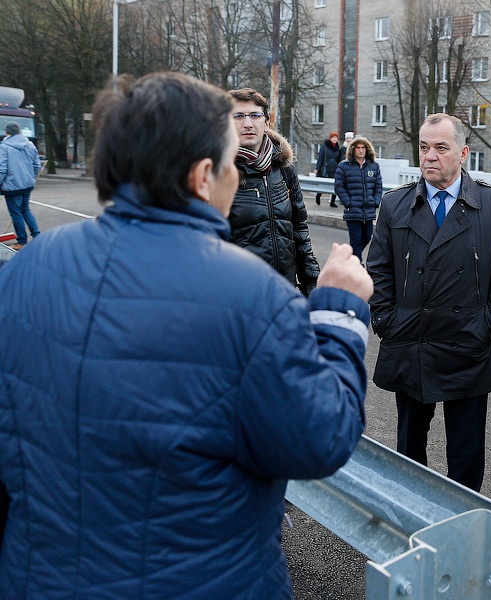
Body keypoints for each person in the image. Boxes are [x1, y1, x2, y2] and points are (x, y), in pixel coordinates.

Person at [0, 72, 373, 597]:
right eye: (227, 166)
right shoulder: (255, 300)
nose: (236, 179)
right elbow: (319, 440)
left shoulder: (23, 269)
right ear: (202, 176)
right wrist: (340, 313)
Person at [367, 113, 491, 492]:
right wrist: (386, 320)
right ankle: (409, 518)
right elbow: (378, 269)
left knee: (466, 455)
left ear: (463, 153)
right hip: (410, 341)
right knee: (408, 450)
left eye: (440, 147)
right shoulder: (395, 205)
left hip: (467, 344)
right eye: (423, 147)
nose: (430, 156)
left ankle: (462, 529)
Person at [227, 87, 320, 295]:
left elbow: (299, 230)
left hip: (284, 291)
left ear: (266, 122)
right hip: (240, 298)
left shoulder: (283, 169)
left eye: (255, 115)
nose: (248, 123)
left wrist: (311, 280)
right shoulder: (218, 174)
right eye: (239, 116)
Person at [334, 136, 382, 261]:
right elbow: (339, 186)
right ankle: (358, 264)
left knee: (367, 237)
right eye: (358, 148)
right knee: (356, 240)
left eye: (363, 148)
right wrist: (348, 202)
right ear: (353, 150)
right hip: (353, 210)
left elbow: (378, 186)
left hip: (369, 211)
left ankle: (349, 258)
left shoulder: (373, 166)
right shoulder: (344, 166)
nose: (361, 150)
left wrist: (375, 202)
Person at [0, 121, 42, 250]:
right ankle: (37, 237)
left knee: (16, 213)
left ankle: (22, 241)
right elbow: (37, 165)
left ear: (7, 132)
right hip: (27, 184)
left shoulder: (4, 147)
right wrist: (31, 177)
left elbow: (2, 169)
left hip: (13, 186)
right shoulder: (29, 145)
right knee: (25, 210)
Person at [314, 131, 342, 207]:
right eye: (333, 138)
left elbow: (339, 159)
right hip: (326, 169)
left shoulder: (337, 148)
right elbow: (320, 158)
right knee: (322, 185)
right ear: (330, 138)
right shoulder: (325, 146)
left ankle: (332, 202)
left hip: (335, 169)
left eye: (336, 138)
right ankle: (318, 196)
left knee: (334, 186)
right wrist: (317, 168)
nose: (335, 139)